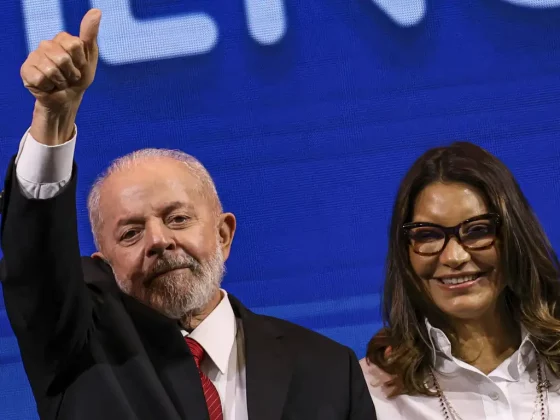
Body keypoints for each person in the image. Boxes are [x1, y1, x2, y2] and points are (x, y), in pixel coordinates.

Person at [0, 9, 376, 420]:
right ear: (103, 266)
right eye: (130, 233)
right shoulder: (78, 352)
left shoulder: (327, 369)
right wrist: (53, 121)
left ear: (224, 234)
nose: (159, 240)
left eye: (177, 218)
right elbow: (36, 268)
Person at [360, 141, 560, 419]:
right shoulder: (368, 392)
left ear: (514, 237)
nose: (454, 256)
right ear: (404, 252)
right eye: (427, 235)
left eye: (477, 230)